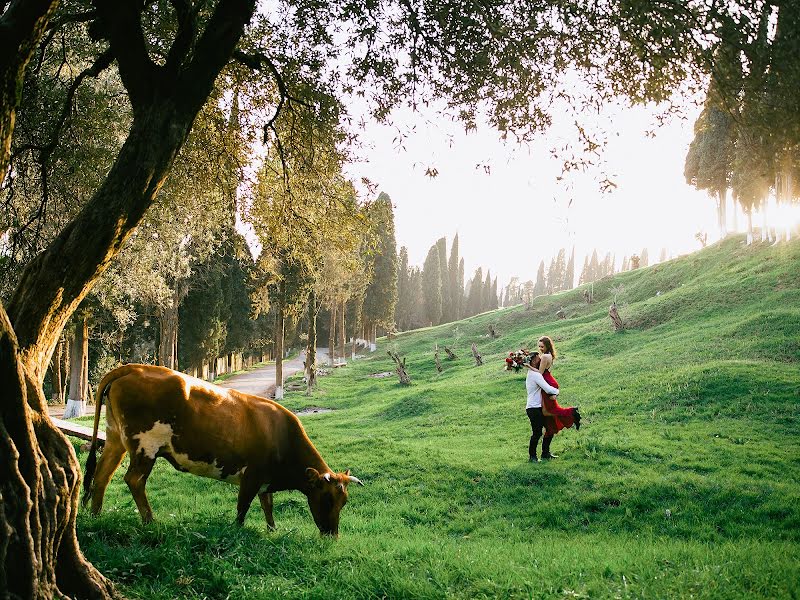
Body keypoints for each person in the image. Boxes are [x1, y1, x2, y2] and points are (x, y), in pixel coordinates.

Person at [536, 336, 581, 432]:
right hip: (549, 380)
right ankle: (553, 427)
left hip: (546, 382)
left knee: (549, 410)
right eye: (539, 346)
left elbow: (540, 373)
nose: (540, 349)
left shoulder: (544, 356)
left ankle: (572, 412)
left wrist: (529, 367)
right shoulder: (549, 355)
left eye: (542, 347)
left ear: (547, 346)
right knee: (547, 411)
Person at [523, 352, 561, 462]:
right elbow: (548, 389)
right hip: (534, 408)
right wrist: (557, 391)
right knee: (537, 432)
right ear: (534, 360)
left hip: (537, 407)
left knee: (550, 428)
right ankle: (532, 456)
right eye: (538, 358)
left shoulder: (532, 373)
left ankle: (545, 453)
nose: (541, 359)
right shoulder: (535, 375)